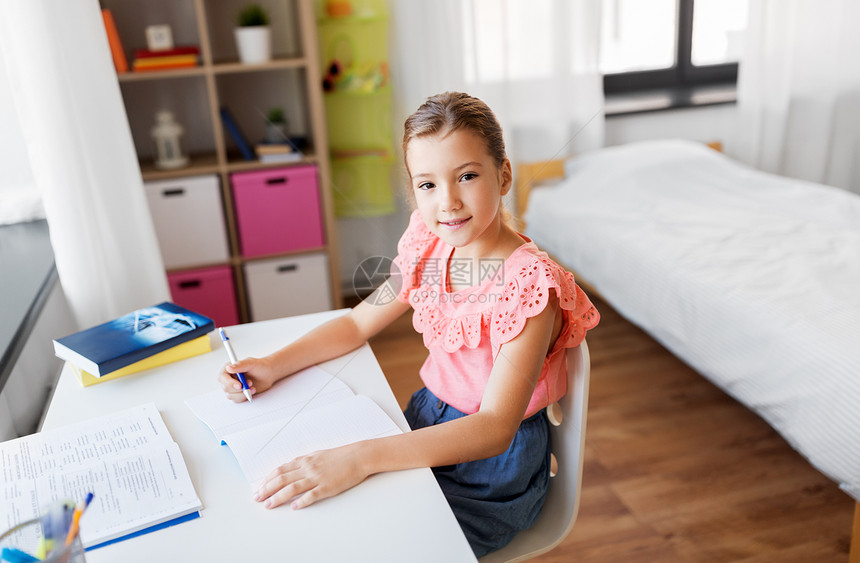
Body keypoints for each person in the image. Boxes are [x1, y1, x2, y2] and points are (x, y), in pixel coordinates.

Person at [218, 91, 599, 557]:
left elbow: (495, 426)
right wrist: (274, 364)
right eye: (428, 185)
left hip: (493, 467)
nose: (449, 202)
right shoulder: (430, 247)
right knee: (324, 523)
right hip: (425, 420)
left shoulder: (527, 287)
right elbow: (358, 324)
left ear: (503, 176)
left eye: (467, 176)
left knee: (382, 544)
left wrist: (360, 457)